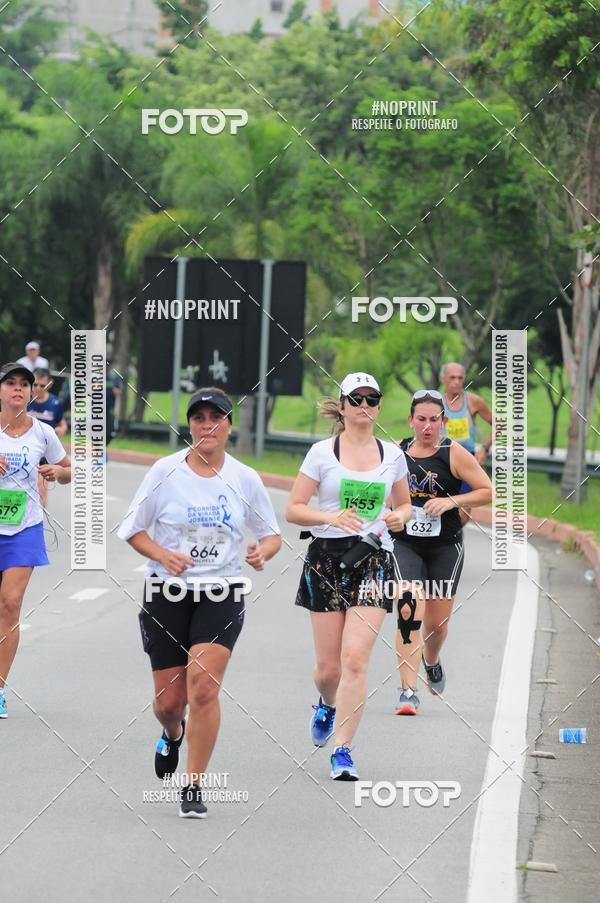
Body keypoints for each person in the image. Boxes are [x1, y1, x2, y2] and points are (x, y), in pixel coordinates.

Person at [118, 387, 281, 817]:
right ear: (189, 424)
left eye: (216, 417)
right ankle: (172, 734)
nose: (206, 425)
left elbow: (271, 533)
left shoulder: (245, 478)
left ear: (229, 425)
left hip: (221, 591)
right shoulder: (163, 471)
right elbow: (133, 529)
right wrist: (161, 554)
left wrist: (263, 551)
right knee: (169, 704)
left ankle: (193, 784)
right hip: (167, 593)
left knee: (204, 687)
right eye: (198, 418)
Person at [286, 373, 412, 781]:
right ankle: (326, 702)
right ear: (341, 407)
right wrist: (329, 516)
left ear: (378, 407)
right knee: (329, 671)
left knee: (355, 659)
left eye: (371, 399)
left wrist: (399, 516)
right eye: (354, 399)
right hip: (325, 559)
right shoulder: (322, 453)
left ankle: (343, 750)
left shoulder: (393, 455)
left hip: (373, 560)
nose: (363, 406)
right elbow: (294, 508)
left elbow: (406, 506)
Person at [391, 389, 492, 716]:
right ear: (411, 421)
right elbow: (378, 490)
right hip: (405, 542)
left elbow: (486, 492)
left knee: (437, 625)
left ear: (444, 422)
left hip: (445, 546)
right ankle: (408, 691)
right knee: (408, 609)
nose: (428, 426)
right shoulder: (396, 453)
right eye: (421, 419)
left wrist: (450, 501)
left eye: (434, 420)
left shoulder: (455, 453)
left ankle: (431, 660)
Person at [0, 362, 71, 719]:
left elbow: (68, 469)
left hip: (23, 527)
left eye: (23, 385)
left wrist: (59, 472)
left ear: (32, 393)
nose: (17, 389)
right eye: (10, 383)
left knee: (10, 603)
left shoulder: (43, 433)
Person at [440, 363, 493, 526]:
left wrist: (484, 449)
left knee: (463, 513)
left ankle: (455, 538)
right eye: (452, 378)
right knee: (441, 506)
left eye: (460, 378)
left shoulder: (473, 401)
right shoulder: (435, 402)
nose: (456, 382)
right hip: (442, 459)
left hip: (467, 460)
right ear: (443, 379)